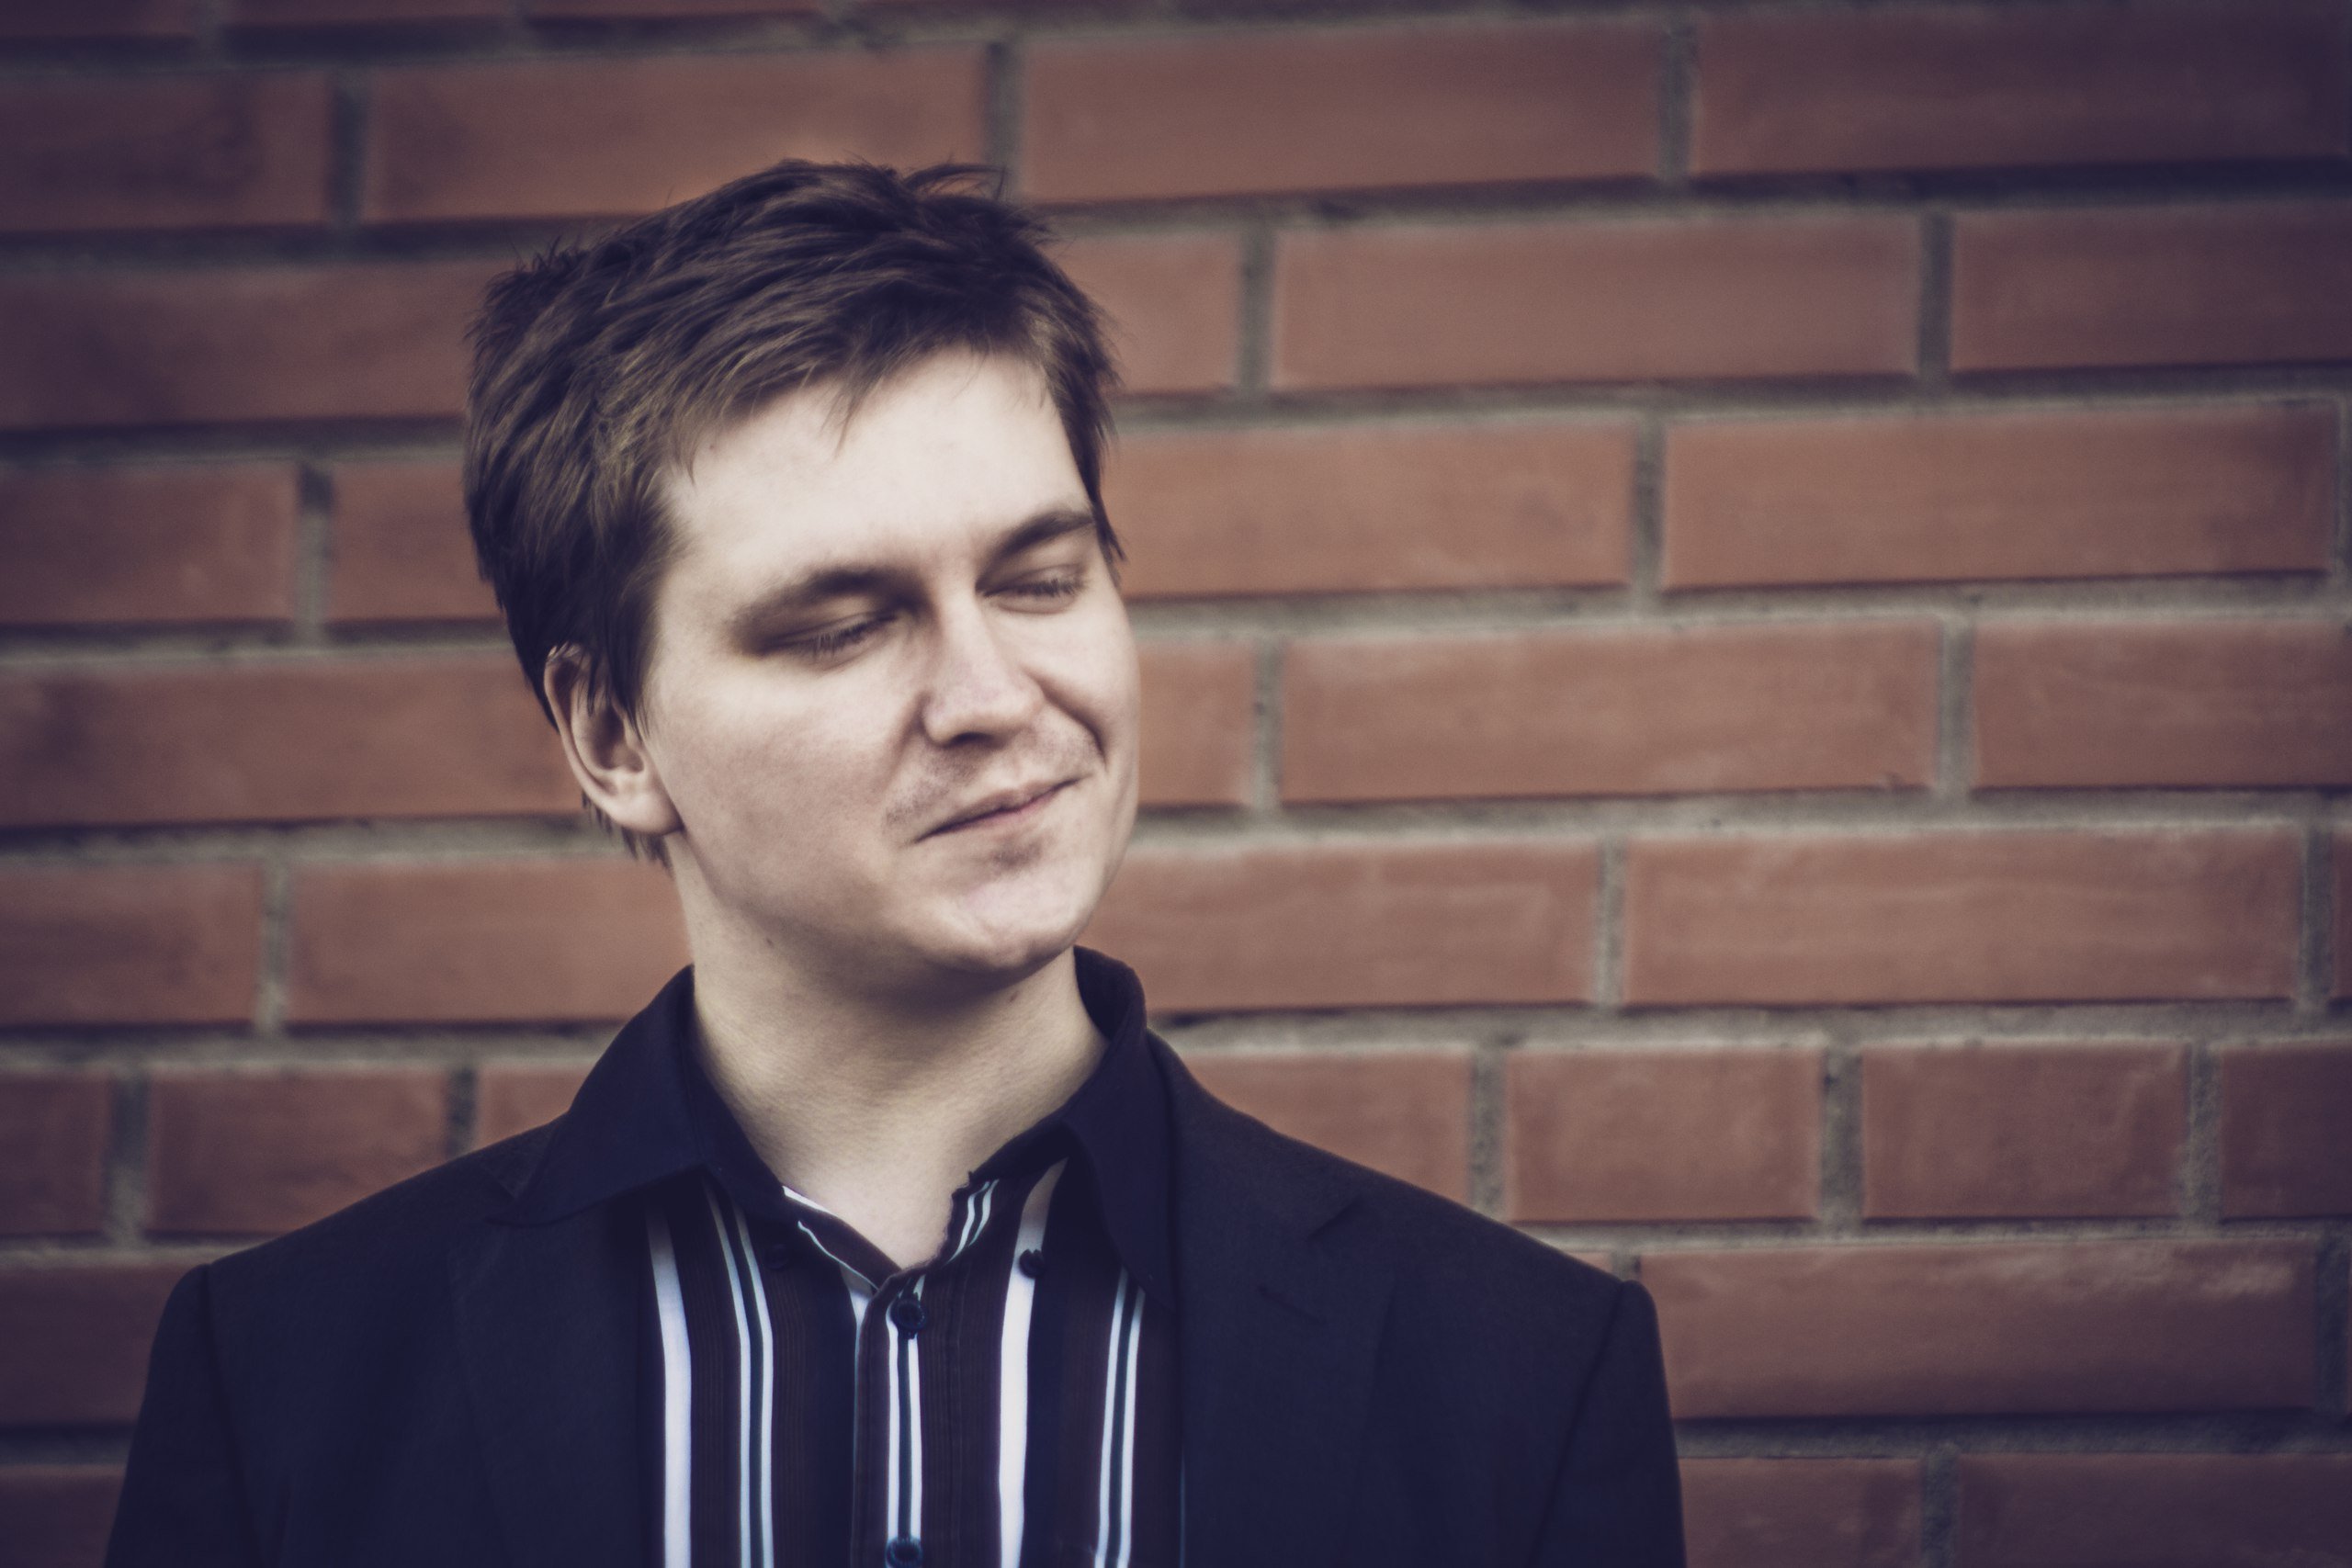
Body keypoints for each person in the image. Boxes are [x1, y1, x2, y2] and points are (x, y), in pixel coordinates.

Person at [107, 160, 1685, 1568]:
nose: (992, 697)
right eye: (846, 625)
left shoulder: (1524, 1373)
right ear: (611, 735)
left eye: (1041, 580)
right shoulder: (286, 1379)